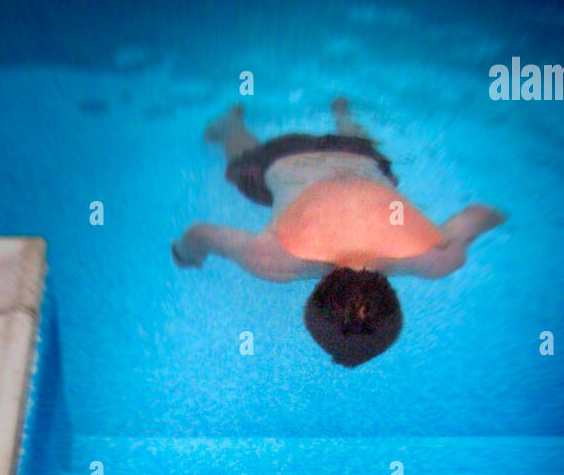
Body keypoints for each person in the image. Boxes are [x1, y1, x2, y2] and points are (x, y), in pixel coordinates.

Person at [172, 97, 506, 368]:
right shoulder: (275, 260)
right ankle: (231, 122)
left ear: (393, 298)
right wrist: (186, 254)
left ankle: (343, 113)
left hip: (358, 153)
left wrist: (500, 218)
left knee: (365, 154)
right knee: (243, 163)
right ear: (315, 295)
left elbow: (478, 214)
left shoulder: (434, 258)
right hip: (287, 157)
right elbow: (201, 233)